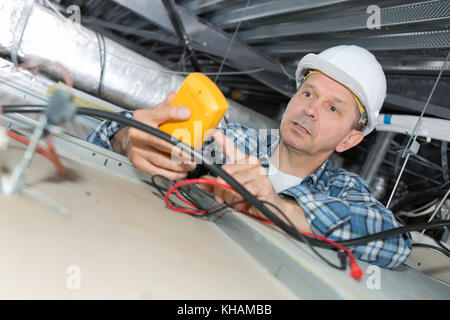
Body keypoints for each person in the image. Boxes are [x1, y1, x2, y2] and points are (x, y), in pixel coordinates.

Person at [87, 45, 411, 269]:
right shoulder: (235, 142)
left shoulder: (342, 188)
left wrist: (277, 208)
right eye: (308, 93)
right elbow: (108, 132)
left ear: (350, 138)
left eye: (332, 107)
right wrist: (128, 138)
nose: (310, 109)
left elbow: (394, 242)